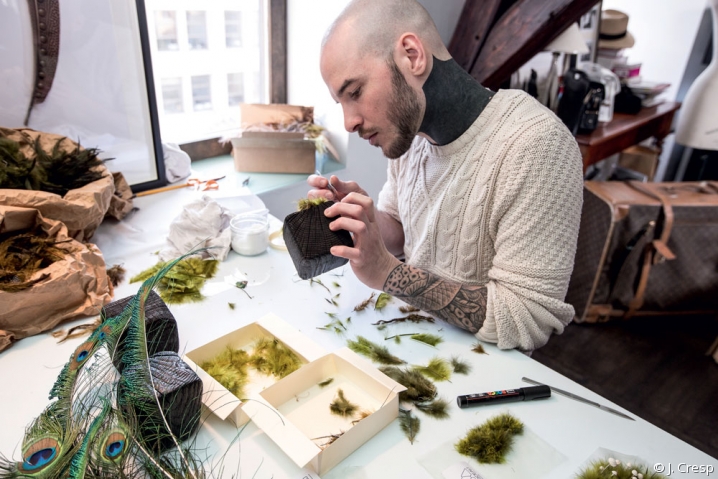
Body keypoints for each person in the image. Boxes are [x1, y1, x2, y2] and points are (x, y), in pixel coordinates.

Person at [307, 0, 583, 351]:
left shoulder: (537, 146)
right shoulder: (411, 135)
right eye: (341, 103)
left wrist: (389, 273)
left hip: (484, 374)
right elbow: (402, 229)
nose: (349, 122)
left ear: (412, 55)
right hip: (413, 341)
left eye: (356, 92)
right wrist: (365, 220)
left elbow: (528, 316)